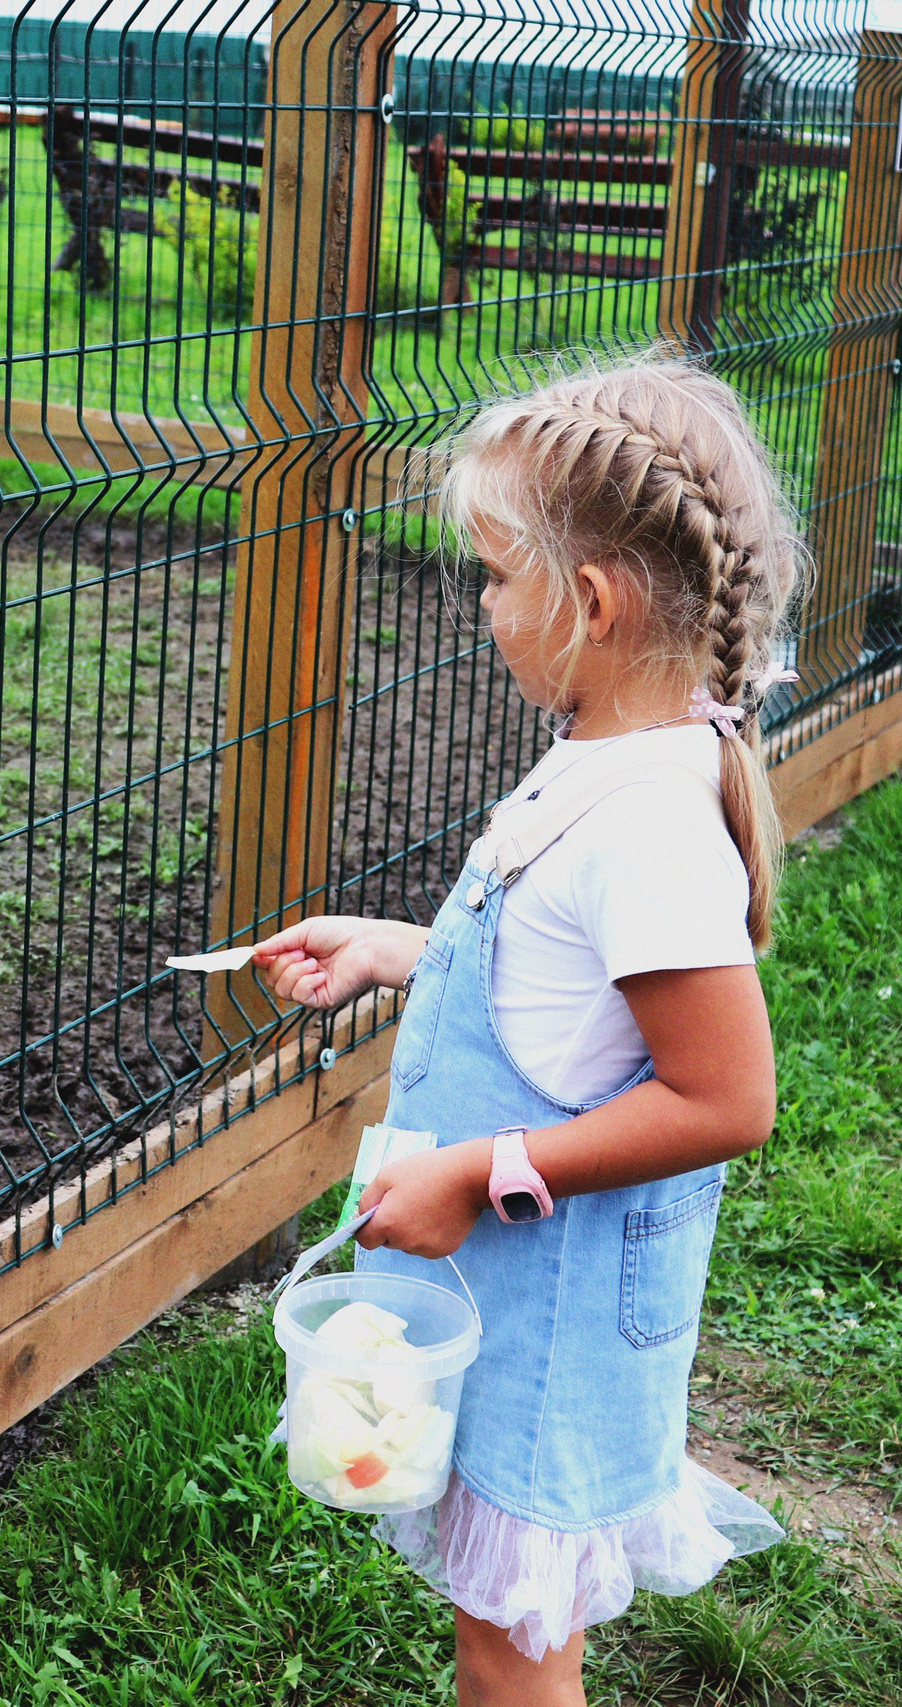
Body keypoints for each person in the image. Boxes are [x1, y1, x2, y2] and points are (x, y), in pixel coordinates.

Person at [255, 355, 801, 1705]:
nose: (485, 608)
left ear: (594, 603)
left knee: (512, 1653)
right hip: (495, 1300)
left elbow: (727, 1099)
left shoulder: (650, 826)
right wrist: (396, 951)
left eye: (498, 577)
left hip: (545, 1319)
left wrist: (478, 1171)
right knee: (497, 1626)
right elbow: (558, 977)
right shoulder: (607, 754)